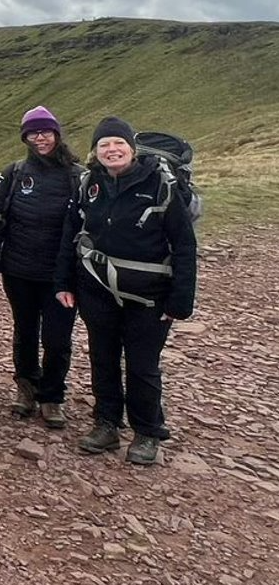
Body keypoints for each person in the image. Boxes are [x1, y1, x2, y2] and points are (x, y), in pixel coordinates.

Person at [55, 117, 197, 465]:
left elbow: (184, 244)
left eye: (118, 143)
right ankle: (106, 424)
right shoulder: (90, 183)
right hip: (97, 290)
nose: (111, 150)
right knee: (102, 359)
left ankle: (147, 432)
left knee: (142, 365)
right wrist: (64, 282)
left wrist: (181, 301)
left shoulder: (161, 185)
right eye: (104, 145)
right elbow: (71, 233)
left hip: (150, 296)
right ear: (95, 151)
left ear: (132, 149)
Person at [0, 106, 85, 429]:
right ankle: (26, 389)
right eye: (33, 132)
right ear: (25, 137)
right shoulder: (12, 173)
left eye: (46, 131)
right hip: (19, 269)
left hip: (62, 274)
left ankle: (52, 397)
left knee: (58, 339)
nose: (40, 137)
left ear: (57, 134)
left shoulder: (77, 175)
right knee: (24, 333)